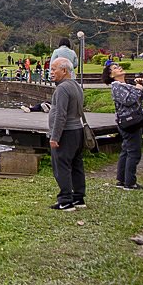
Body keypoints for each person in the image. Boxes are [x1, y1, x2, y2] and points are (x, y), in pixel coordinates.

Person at [47, 58, 86, 210]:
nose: (51, 73)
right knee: (76, 165)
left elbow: (60, 114)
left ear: (64, 71)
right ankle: (78, 197)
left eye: (54, 69)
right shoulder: (76, 86)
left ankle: (65, 200)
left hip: (66, 132)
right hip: (78, 130)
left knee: (61, 166)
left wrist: (55, 136)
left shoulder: (62, 88)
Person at [104, 61, 143, 189]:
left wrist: (140, 86)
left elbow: (141, 97)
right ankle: (130, 182)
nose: (119, 68)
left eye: (118, 66)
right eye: (115, 68)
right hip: (129, 122)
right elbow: (129, 101)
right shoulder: (116, 86)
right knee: (134, 152)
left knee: (126, 150)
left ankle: (122, 179)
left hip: (132, 120)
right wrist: (138, 90)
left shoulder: (125, 85)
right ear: (111, 75)